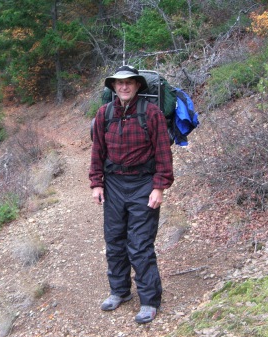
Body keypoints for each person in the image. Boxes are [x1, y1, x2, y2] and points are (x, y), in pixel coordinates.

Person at [89, 65, 174, 324]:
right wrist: (97, 183)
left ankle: (149, 300)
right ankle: (119, 292)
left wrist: (159, 186)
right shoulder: (104, 114)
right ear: (113, 87)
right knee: (114, 241)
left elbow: (163, 153)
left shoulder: (152, 113)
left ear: (137, 85)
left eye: (129, 83)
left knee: (139, 244)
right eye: (119, 83)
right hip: (113, 184)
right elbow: (97, 152)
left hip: (143, 184)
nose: (124, 87)